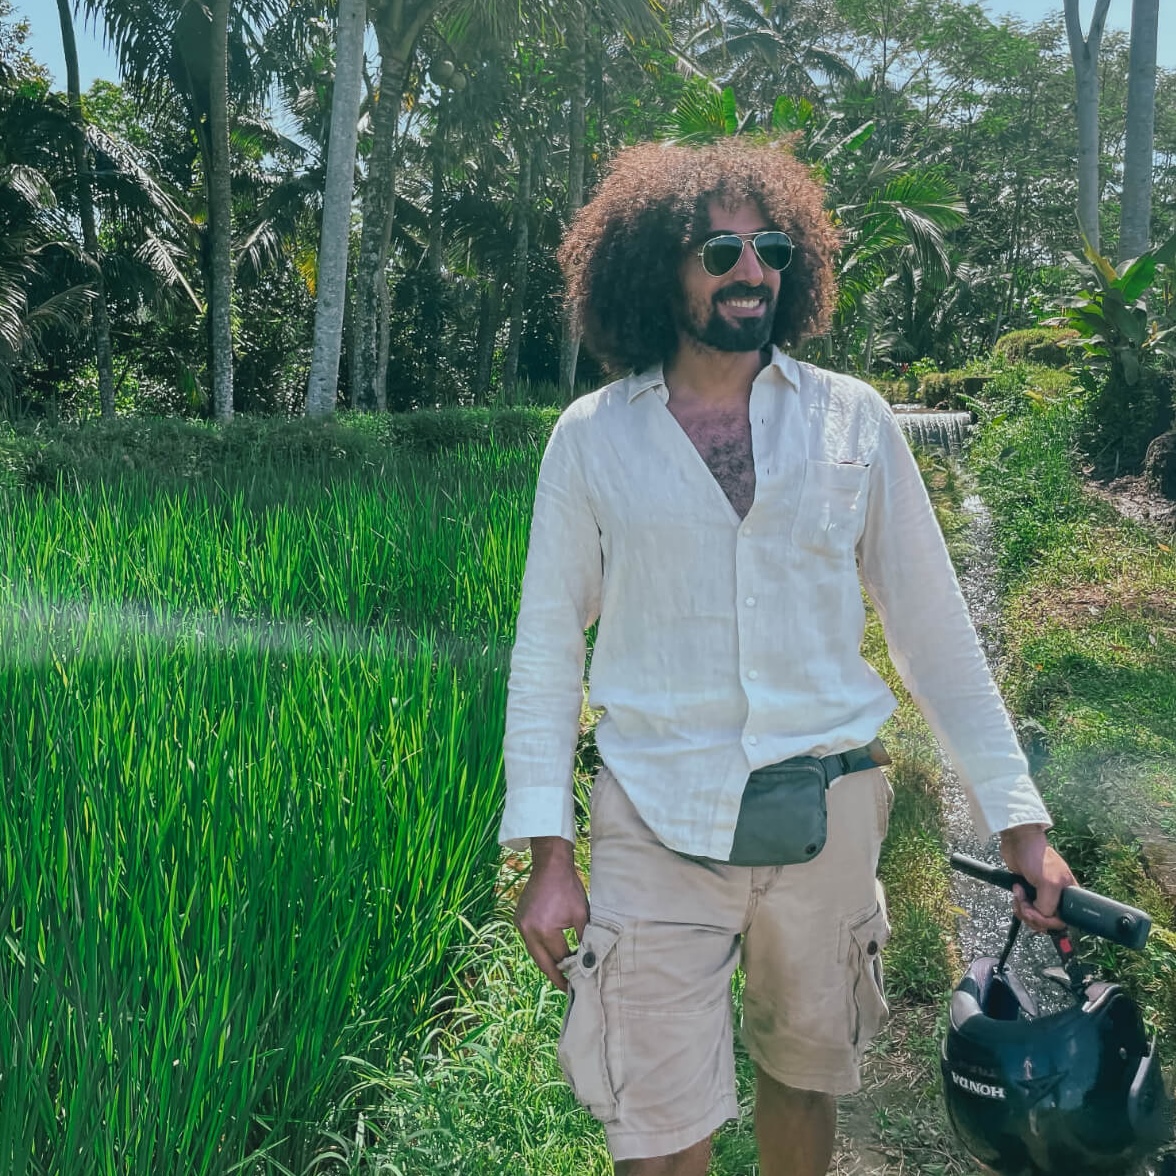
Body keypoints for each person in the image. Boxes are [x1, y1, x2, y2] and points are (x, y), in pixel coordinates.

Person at [499, 138, 1076, 1176]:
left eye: (768, 247)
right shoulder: (591, 440)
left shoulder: (853, 422)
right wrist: (548, 853)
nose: (750, 270)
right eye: (718, 250)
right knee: (656, 1133)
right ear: (655, 266)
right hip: (653, 822)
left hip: (828, 818)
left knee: (804, 1087)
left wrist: (1020, 824)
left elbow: (934, 636)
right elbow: (547, 646)